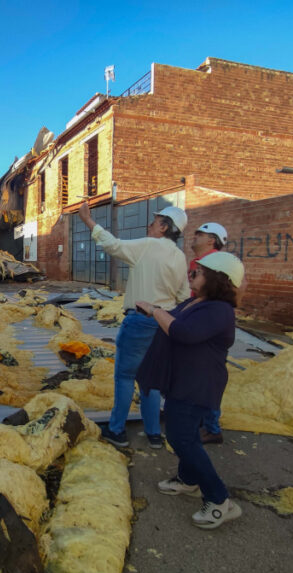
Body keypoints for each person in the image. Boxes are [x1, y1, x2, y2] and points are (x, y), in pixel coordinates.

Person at [134, 251, 245, 529]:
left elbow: (182, 332)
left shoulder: (218, 311)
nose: (191, 275)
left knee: (181, 438)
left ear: (217, 279)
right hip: (184, 380)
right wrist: (152, 309)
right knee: (186, 434)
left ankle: (220, 500)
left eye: (198, 272)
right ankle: (188, 480)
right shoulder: (199, 302)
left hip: (197, 385)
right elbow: (173, 317)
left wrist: (156, 310)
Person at [78, 201, 189, 450]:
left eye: (154, 222)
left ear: (163, 226)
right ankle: (154, 434)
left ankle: (117, 430)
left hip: (139, 321)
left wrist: (88, 221)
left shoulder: (149, 245)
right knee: (150, 380)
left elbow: (113, 245)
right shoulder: (180, 257)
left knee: (126, 376)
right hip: (164, 324)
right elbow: (183, 297)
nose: (149, 225)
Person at [189, 222, 228, 445]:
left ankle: (212, 428)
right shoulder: (199, 262)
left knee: (209, 376)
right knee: (197, 375)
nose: (194, 237)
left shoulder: (218, 263)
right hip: (199, 318)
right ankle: (202, 421)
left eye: (199, 234)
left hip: (209, 323)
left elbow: (238, 290)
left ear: (211, 240)